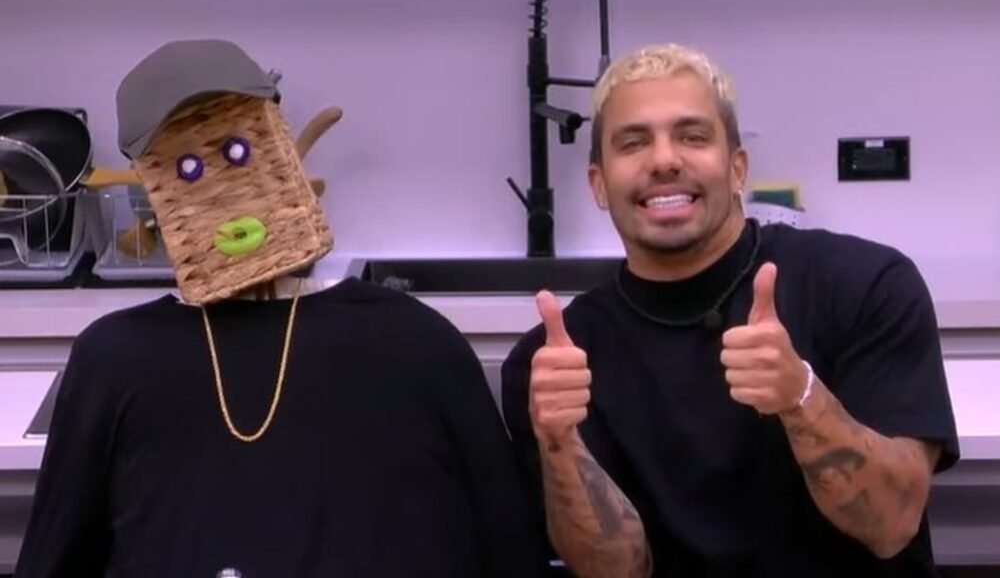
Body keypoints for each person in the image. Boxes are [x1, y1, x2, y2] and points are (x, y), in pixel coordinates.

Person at [15, 39, 548, 578]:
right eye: (188, 168)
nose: (223, 190)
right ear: (151, 190)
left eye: (238, 151)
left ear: (280, 147)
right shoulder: (116, 360)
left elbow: (509, 546)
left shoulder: (417, 342)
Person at [501, 42, 960, 577]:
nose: (664, 160)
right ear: (599, 185)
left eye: (692, 136)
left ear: (738, 169)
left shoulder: (865, 284)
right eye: (633, 142)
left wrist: (800, 395)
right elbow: (617, 570)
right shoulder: (553, 361)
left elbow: (891, 526)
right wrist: (558, 443)